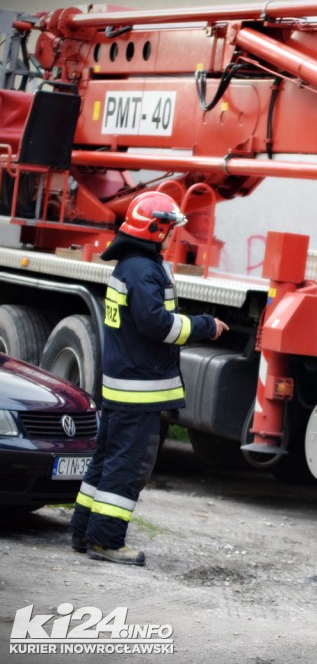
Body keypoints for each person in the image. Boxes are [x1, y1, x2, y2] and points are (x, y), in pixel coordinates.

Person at [69, 191, 229, 566]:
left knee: (106, 460)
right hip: (138, 391)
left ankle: (83, 531)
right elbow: (156, 324)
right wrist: (204, 326)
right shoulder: (143, 270)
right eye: (170, 227)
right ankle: (106, 541)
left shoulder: (130, 265)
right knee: (127, 465)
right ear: (156, 229)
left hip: (123, 386)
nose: (173, 234)